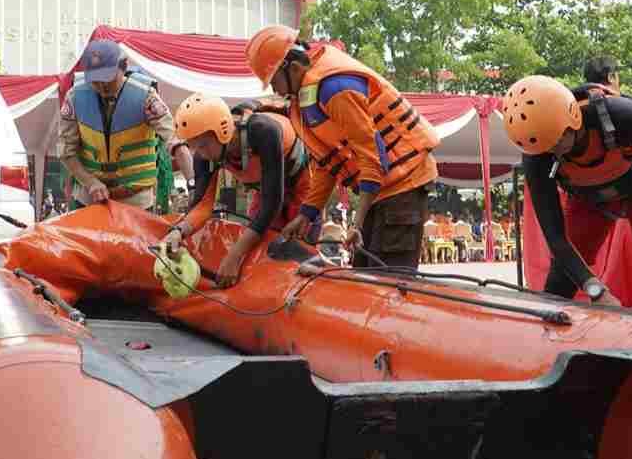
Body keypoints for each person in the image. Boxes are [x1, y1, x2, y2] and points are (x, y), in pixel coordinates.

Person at [246, 26, 440, 269]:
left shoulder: (335, 88)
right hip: (380, 190)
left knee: (390, 283)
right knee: (364, 277)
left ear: (294, 68)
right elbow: (329, 163)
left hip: (405, 185)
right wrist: (306, 213)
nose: (275, 90)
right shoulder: (306, 98)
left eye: (274, 81)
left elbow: (372, 156)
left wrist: (356, 224)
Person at [505, 76, 632, 314]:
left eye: (557, 141)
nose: (553, 151)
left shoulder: (616, 113)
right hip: (588, 200)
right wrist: (596, 290)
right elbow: (556, 239)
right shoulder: (537, 154)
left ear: (573, 119)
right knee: (562, 276)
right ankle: (544, 336)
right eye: (545, 148)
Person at [163, 94, 318, 286]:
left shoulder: (263, 131)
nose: (201, 155)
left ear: (222, 131)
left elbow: (272, 205)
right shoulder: (204, 156)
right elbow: (202, 205)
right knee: (259, 246)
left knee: (299, 243)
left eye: (202, 145)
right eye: (194, 147)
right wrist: (178, 232)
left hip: (301, 183)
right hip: (263, 189)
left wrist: (234, 255)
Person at [57, 40, 194, 212]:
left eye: (108, 78)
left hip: (136, 201)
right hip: (89, 198)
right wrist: (90, 182)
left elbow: (176, 143)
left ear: (123, 67)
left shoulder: (147, 98)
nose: (102, 86)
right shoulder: (74, 98)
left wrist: (192, 184)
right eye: (95, 81)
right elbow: (66, 152)